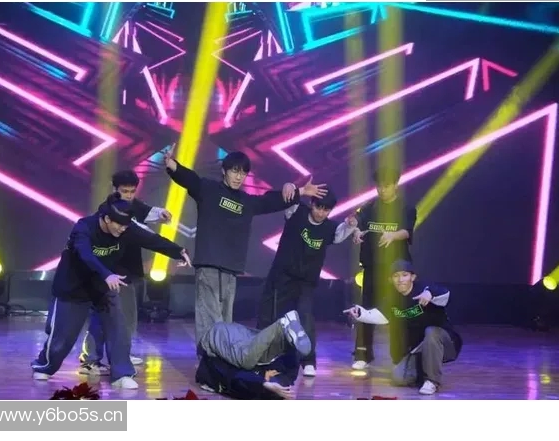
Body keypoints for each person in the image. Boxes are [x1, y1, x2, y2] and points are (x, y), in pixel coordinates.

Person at [163, 143, 327, 348]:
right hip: (209, 266)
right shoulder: (209, 190)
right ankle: (207, 360)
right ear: (224, 171)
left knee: (225, 322)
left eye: (243, 173)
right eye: (235, 171)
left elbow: (270, 201)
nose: (239, 177)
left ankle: (221, 359)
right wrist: (172, 164)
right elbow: (190, 179)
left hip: (231, 269)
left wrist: (301, 191)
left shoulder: (246, 202)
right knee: (208, 319)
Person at [31, 193, 191, 389]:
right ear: (106, 219)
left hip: (103, 286)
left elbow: (151, 240)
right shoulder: (84, 227)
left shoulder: (125, 229)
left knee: (118, 327)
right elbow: (85, 255)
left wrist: (179, 251)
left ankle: (122, 374)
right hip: (74, 287)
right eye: (119, 225)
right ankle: (44, 366)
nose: (122, 229)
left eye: (126, 226)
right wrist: (106, 273)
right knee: (62, 338)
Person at [256, 189, 359, 377]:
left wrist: (351, 225)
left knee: (305, 317)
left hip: (306, 281)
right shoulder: (297, 211)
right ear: (312, 203)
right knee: (270, 314)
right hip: (282, 275)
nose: (321, 213)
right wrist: (295, 188)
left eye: (326, 210)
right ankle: (261, 354)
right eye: (318, 207)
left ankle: (308, 361)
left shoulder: (329, 228)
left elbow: (340, 234)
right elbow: (286, 196)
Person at [78, 170, 172, 375]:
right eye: (124, 191)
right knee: (102, 316)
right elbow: (138, 230)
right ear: (115, 189)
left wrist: (161, 214)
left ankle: (122, 354)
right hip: (109, 271)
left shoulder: (134, 205)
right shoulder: (107, 210)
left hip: (129, 270)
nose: (129, 195)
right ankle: (90, 359)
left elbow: (148, 212)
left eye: (132, 191)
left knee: (128, 316)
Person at [344, 259, 462, 395]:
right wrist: (360, 313)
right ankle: (425, 371)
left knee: (431, 332)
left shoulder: (425, 289)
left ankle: (432, 381)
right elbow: (378, 315)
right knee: (399, 378)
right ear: (391, 280)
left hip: (446, 344)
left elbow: (445, 294)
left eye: (405, 275)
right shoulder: (392, 300)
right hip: (420, 349)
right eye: (396, 276)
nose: (400, 280)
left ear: (413, 277)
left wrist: (430, 294)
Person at [348, 166, 417, 370]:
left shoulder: (406, 208)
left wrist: (393, 235)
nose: (382, 190)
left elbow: (407, 231)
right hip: (372, 267)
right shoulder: (369, 207)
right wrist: (356, 230)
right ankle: (363, 354)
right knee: (367, 309)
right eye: (379, 186)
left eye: (386, 186)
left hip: (396, 271)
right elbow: (358, 222)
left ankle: (400, 355)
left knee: (397, 311)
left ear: (395, 185)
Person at [195, 310, 310, 399]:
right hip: (223, 338)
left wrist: (264, 383)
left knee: (249, 361)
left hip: (222, 338)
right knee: (250, 360)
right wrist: (264, 383)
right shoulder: (279, 369)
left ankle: (282, 325)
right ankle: (282, 325)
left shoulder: (217, 365)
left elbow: (236, 376)